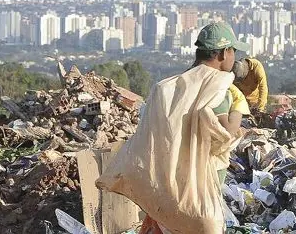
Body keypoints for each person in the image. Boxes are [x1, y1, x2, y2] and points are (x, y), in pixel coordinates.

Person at [97, 21, 249, 234]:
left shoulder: (167, 87)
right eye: (233, 51)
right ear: (224, 53)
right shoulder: (216, 87)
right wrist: (239, 108)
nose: (234, 58)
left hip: (165, 189)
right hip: (197, 192)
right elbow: (226, 134)